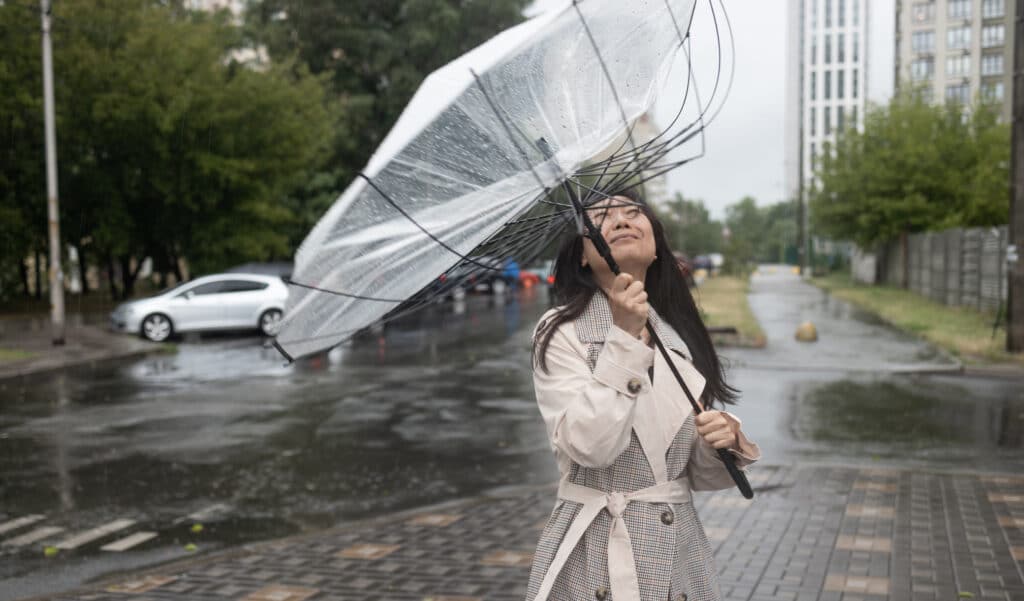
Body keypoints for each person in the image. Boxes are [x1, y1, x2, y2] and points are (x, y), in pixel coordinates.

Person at [525, 188, 760, 601]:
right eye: (600, 216)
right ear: (583, 255)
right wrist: (623, 338)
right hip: (597, 551)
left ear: (655, 247)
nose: (620, 220)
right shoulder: (560, 331)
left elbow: (690, 473)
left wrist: (721, 439)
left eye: (633, 212)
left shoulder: (677, 335)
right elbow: (589, 446)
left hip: (680, 553)